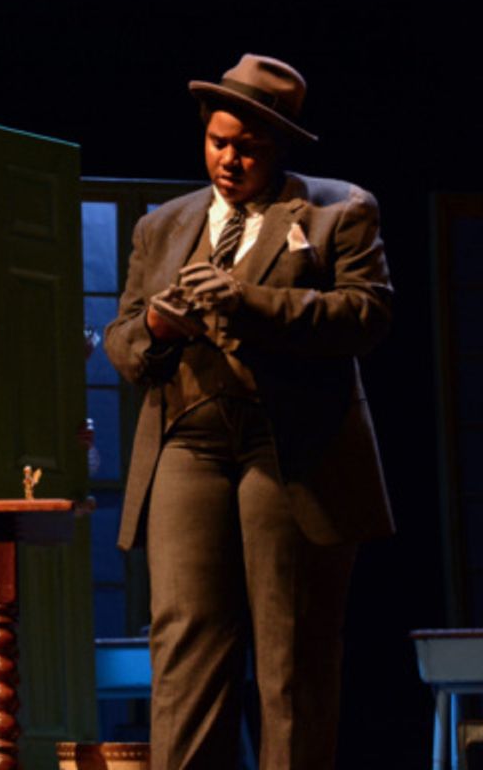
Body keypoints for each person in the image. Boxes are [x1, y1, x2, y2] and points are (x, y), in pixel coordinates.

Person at [103, 55, 393, 769]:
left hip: (289, 442)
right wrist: (157, 329)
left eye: (249, 148)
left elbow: (366, 314)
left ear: (281, 147)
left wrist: (251, 303)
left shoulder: (337, 211)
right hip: (189, 437)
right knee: (185, 645)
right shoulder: (163, 226)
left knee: (290, 650)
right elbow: (123, 339)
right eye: (218, 142)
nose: (229, 160)